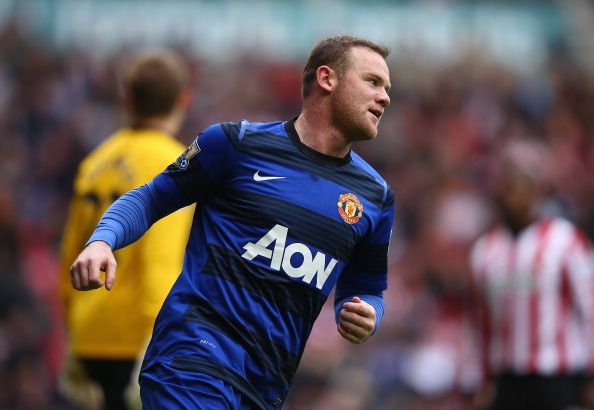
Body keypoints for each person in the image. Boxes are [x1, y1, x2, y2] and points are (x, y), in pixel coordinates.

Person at [69, 35, 394, 409]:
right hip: (192, 358)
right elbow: (151, 197)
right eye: (373, 82)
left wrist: (367, 314)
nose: (384, 97)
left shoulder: (375, 197)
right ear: (327, 79)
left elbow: (367, 288)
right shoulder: (236, 145)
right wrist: (102, 240)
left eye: (387, 88)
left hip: (265, 382)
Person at [59, 51, 194, 410]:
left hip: (90, 334)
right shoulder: (176, 163)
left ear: (128, 99)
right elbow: (160, 259)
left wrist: (72, 332)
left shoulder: (96, 160)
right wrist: (157, 339)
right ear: (183, 99)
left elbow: (72, 251)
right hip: (137, 341)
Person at [469, 139, 594, 410]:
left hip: (559, 375)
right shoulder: (485, 251)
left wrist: (591, 376)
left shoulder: (566, 241)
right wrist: (484, 379)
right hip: (509, 377)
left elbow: (590, 309)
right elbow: (484, 322)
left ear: (536, 192)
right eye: (506, 188)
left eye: (518, 187)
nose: (510, 196)